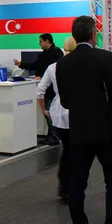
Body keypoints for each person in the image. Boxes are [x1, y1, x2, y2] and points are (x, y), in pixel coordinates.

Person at [56, 16, 112, 224]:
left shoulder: (62, 64)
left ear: (74, 36)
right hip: (106, 130)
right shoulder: (104, 57)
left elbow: (64, 101)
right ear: (93, 34)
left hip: (79, 131)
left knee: (77, 183)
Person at [36, 36, 76, 202]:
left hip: (58, 113)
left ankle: (64, 184)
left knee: (67, 149)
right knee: (73, 151)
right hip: (76, 113)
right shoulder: (79, 66)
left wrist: (43, 110)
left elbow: (39, 91)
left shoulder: (53, 67)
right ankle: (70, 186)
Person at [14, 33, 64, 145]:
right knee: (48, 113)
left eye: (41, 41)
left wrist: (43, 77)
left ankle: (55, 137)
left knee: (51, 113)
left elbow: (52, 70)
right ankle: (52, 136)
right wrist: (21, 64)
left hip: (53, 90)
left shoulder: (57, 53)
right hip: (46, 89)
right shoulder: (43, 54)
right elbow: (36, 65)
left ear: (47, 41)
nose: (39, 44)